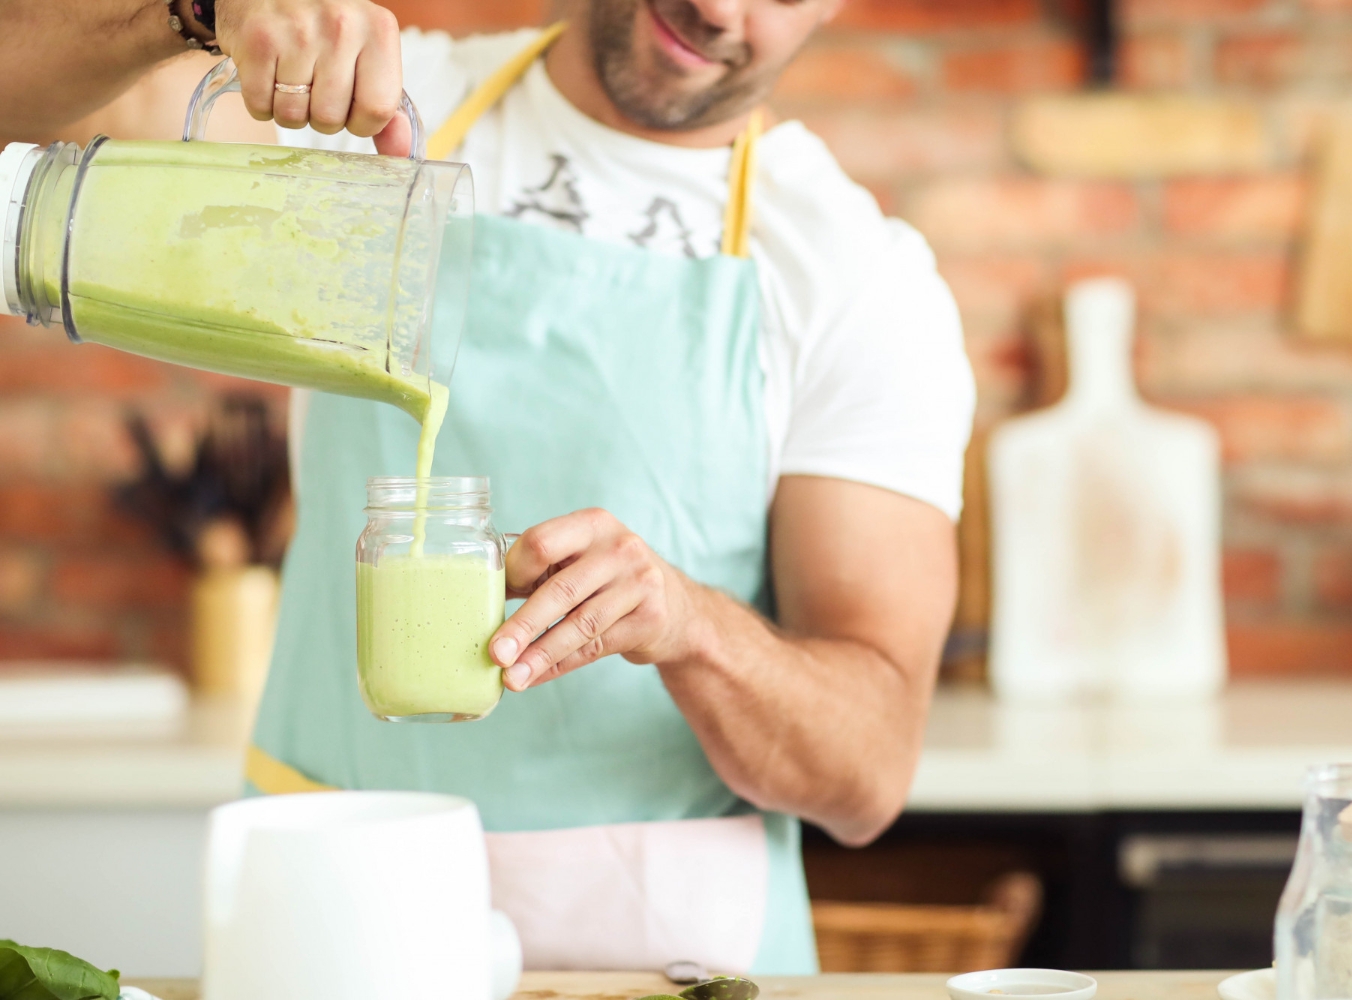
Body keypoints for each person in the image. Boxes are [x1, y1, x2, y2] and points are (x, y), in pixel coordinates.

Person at [5, 0, 975, 973]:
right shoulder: (361, 108)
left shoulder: (855, 281)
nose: (720, 7)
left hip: (659, 962)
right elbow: (21, 111)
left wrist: (693, 627)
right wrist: (195, 11)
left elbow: (866, 775)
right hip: (335, 928)